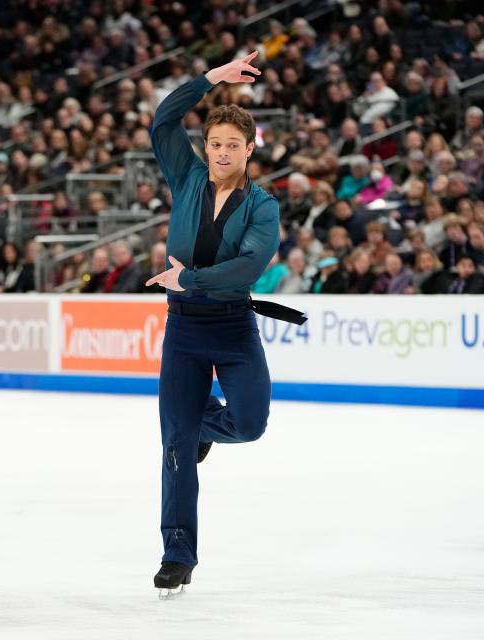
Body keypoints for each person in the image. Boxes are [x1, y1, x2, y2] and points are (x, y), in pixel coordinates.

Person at [144, 53, 299, 597]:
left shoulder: (263, 205)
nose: (223, 152)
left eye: (234, 144)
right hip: (184, 330)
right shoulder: (185, 177)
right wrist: (210, 79)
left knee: (251, 423)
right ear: (205, 147)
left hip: (233, 326)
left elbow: (250, 266)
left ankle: (204, 426)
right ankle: (177, 553)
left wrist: (191, 281)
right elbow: (162, 120)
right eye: (216, 143)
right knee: (176, 446)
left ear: (250, 149)